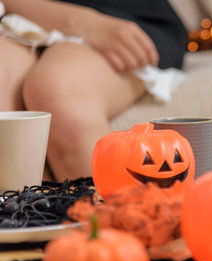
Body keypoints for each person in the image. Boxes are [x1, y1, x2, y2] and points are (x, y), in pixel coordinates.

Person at [0, 0, 187, 182]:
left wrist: (87, 22)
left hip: (121, 16)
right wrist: (79, 21)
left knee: (58, 91)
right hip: (20, 15)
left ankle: (117, 211)